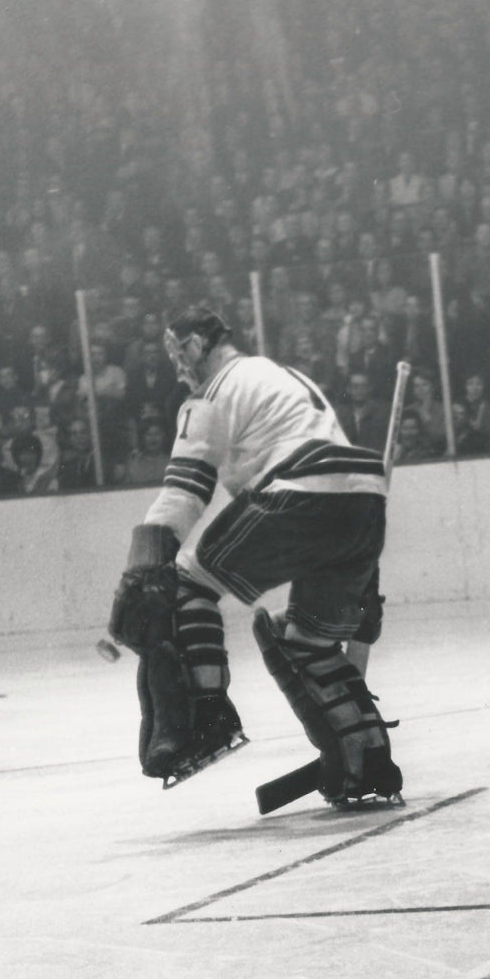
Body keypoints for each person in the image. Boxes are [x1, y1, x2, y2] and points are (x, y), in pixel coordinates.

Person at [106, 307, 402, 807]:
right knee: (306, 640)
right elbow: (340, 475)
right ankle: (368, 761)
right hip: (363, 502)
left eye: (178, 353)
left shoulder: (214, 393)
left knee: (182, 583)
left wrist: (141, 570)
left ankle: (207, 719)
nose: (176, 367)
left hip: (300, 492)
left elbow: (183, 494)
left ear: (200, 345)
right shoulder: (281, 375)